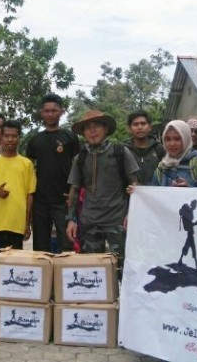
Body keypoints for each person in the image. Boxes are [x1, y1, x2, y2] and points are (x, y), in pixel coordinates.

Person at [65, 110, 140, 273]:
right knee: (92, 270)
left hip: (117, 220)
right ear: (83, 132)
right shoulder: (81, 157)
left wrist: (132, 213)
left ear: (106, 129)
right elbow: (74, 189)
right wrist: (71, 219)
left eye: (97, 126)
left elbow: (135, 186)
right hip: (89, 221)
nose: (92, 130)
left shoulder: (120, 152)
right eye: (87, 127)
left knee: (121, 268)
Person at [26, 93, 79, 252]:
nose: (50, 114)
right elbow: (28, 169)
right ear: (41, 113)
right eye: (47, 111)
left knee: (67, 245)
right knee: (40, 247)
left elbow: (78, 166)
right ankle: (43, 275)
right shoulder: (35, 140)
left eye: (54, 110)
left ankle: (66, 276)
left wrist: (73, 192)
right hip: (40, 201)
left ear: (61, 111)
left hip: (64, 200)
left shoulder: (70, 137)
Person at [0, 120, 37, 250]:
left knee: (12, 265)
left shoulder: (26, 164)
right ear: (1, 137)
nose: (10, 139)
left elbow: (30, 195)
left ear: (19, 138)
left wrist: (27, 223)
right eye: (6, 136)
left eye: (14, 136)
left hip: (16, 223)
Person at [151, 120, 197, 187]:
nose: (172, 144)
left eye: (177, 139)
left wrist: (189, 189)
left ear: (186, 139)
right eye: (167, 139)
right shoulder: (161, 167)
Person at [124, 111, 167, 185]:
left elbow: (166, 173)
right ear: (129, 129)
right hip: (130, 195)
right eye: (135, 124)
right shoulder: (124, 150)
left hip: (155, 194)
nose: (140, 127)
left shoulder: (159, 148)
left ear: (150, 127)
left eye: (143, 124)